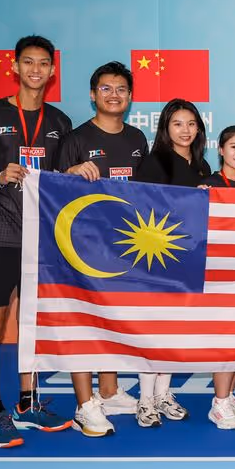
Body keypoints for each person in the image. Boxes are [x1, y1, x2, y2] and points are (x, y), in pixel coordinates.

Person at [0, 34, 74, 447]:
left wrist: (76, 175)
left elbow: (60, 181)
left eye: (43, 63)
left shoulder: (59, 122)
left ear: (52, 71)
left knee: (32, 324)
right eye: (28, 62)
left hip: (42, 238)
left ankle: (28, 403)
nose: (35, 70)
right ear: (15, 66)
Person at [57, 61, 149, 436]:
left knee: (110, 319)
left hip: (123, 247)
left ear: (130, 96)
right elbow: (52, 191)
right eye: (106, 89)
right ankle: (84, 405)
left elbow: (146, 194)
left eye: (121, 89)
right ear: (93, 94)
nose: (114, 95)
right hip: (80, 247)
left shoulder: (137, 139)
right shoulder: (75, 139)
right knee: (83, 322)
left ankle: (108, 391)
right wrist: (70, 173)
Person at [132, 98, 211, 426]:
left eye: (191, 124)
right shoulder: (155, 162)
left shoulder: (202, 166)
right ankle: (144, 400)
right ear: (165, 128)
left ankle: (163, 394)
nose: (185, 130)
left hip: (189, 258)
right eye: (177, 124)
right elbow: (141, 207)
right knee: (154, 330)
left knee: (174, 330)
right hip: (158, 258)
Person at [201, 125, 235, 430]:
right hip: (219, 274)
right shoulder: (209, 184)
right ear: (221, 150)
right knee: (227, 338)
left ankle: (229, 395)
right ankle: (219, 403)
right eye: (234, 147)